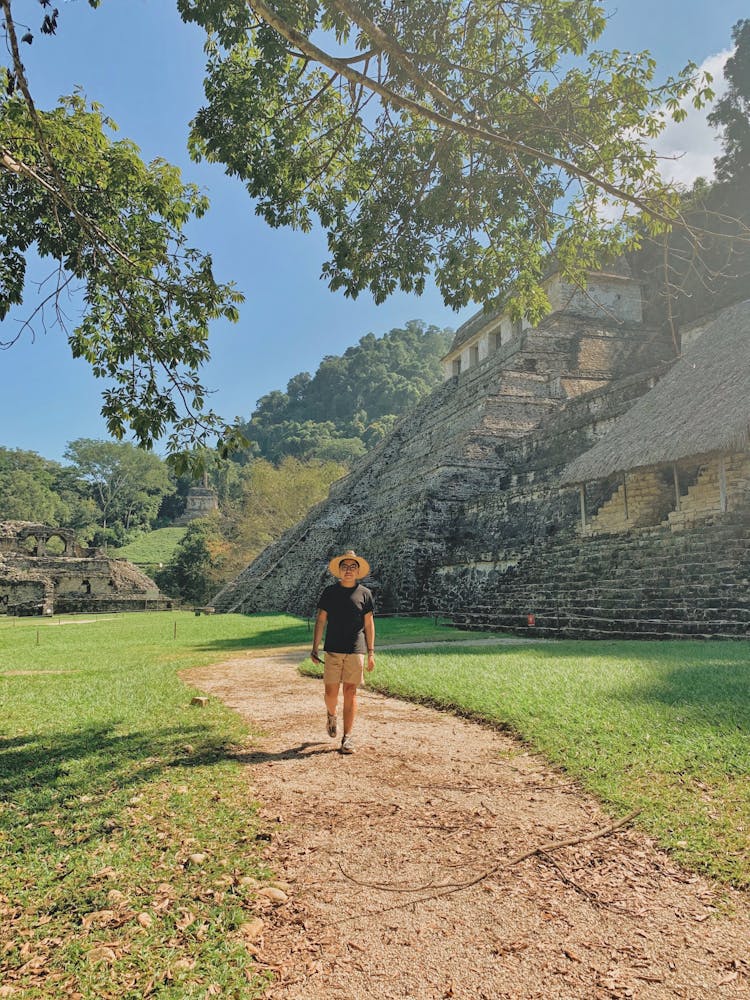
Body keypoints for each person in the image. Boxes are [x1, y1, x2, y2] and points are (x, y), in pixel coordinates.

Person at [311, 549, 375, 754]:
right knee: (331, 693)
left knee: (350, 692)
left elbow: (369, 624)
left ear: (358, 571)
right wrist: (315, 647)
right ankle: (331, 714)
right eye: (345, 567)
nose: (349, 570)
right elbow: (321, 620)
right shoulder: (330, 592)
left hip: (356, 649)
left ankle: (347, 737)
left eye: (352, 567)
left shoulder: (365, 593)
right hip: (333, 649)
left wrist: (371, 652)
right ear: (339, 571)